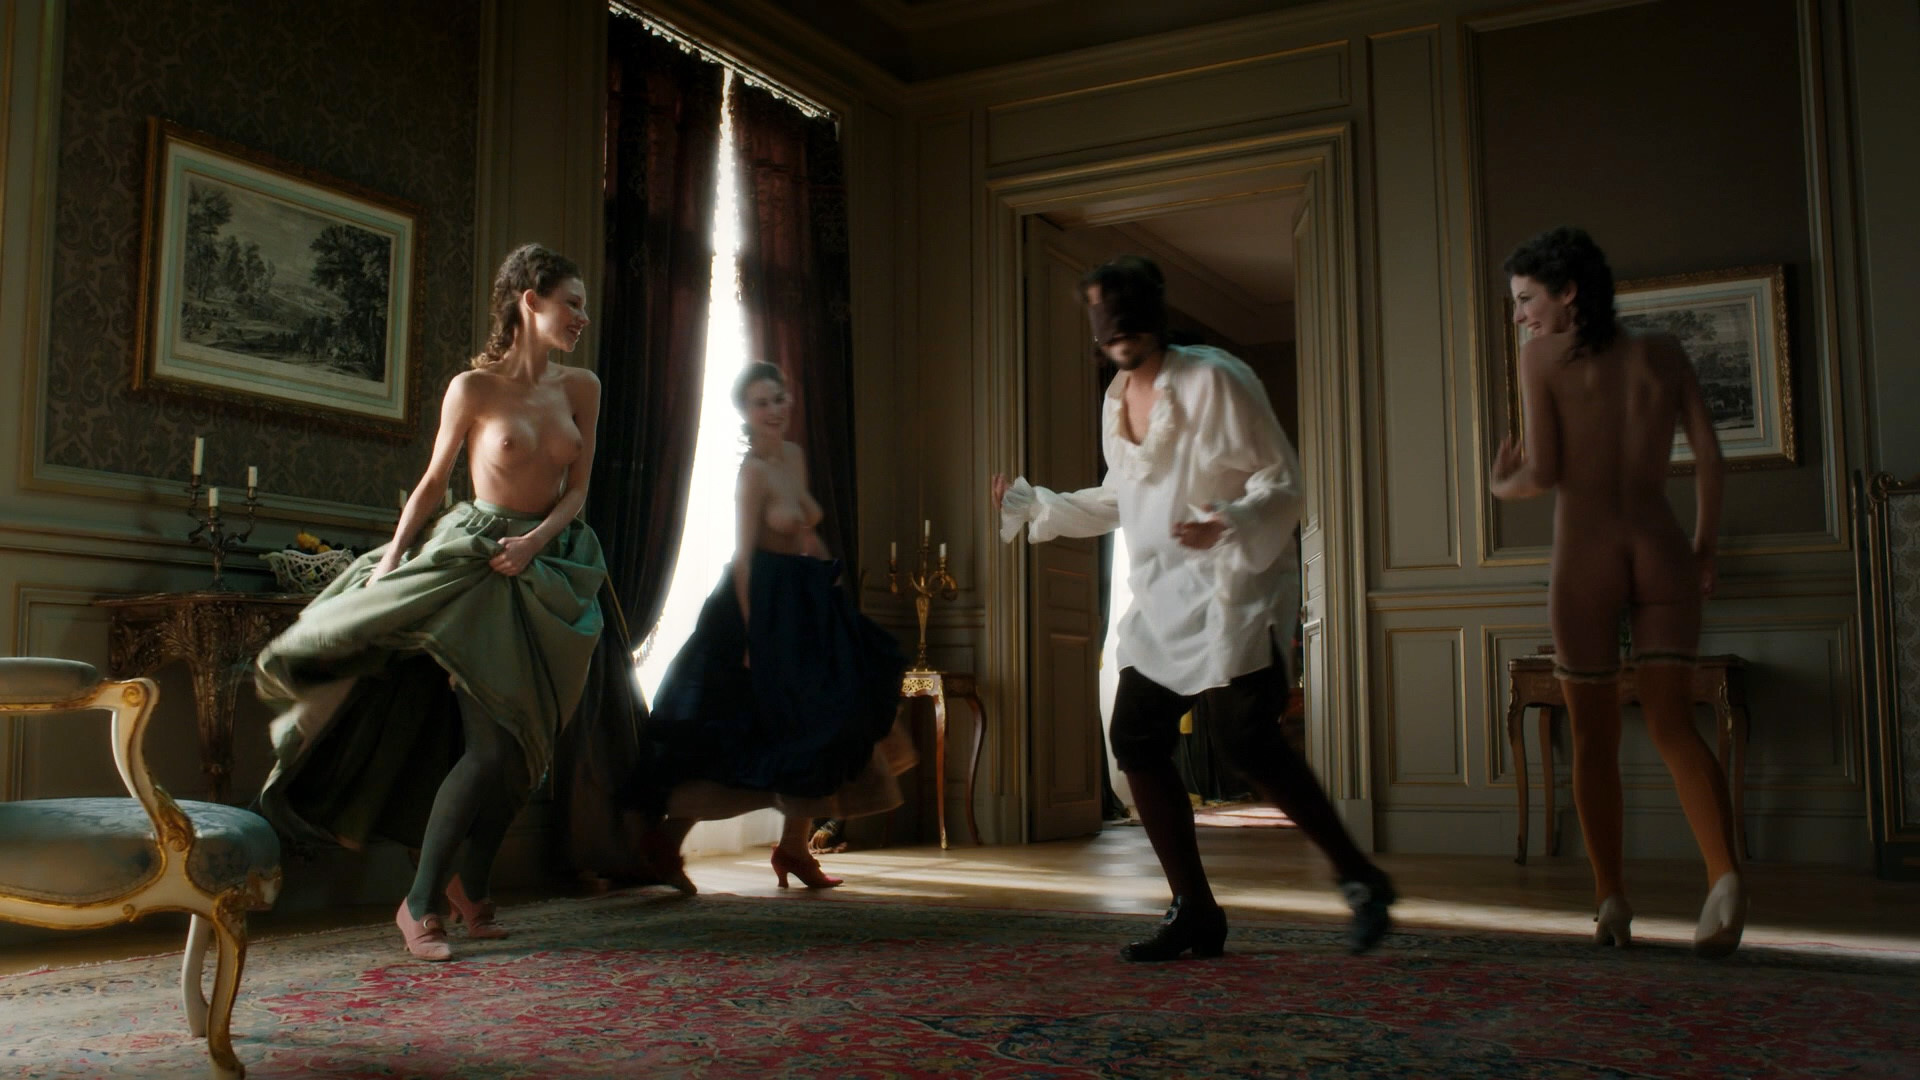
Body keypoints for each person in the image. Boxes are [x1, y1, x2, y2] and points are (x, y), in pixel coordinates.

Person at [993, 255, 1395, 960]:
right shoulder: (1115, 398)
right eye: (1103, 316)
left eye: (1126, 313)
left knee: (1248, 742)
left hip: (1233, 585)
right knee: (1136, 738)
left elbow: (1284, 481)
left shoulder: (1216, 380)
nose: (1116, 330)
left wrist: (1227, 521)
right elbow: (1122, 496)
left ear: (1153, 313)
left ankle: (1362, 879)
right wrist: (1037, 504)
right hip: (1161, 594)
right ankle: (1195, 910)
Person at [256, 243, 607, 962]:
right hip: (477, 567)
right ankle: (418, 903)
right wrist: (389, 564)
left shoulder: (583, 387)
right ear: (530, 301)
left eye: (583, 305)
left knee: (527, 749)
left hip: (555, 567)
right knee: (489, 747)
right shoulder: (472, 388)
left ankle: (470, 888)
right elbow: (432, 483)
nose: (582, 316)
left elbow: (577, 491)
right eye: (571, 302)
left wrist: (535, 543)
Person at [1492, 226, 1745, 956]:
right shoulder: (1663, 353)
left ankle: (1611, 902)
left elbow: (1543, 473)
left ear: (1568, 292)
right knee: (1674, 726)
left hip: (1586, 557)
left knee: (1593, 738)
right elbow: (1710, 458)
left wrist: (1500, 482)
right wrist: (1704, 545)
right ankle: (1725, 880)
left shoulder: (1541, 358)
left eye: (1526, 299)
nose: (1521, 316)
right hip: (1663, 548)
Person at [628, 362, 912, 893]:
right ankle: (667, 841)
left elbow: (803, 531)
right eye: (762, 403)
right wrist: (751, 636)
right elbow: (743, 558)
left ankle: (794, 849)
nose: (775, 410)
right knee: (742, 729)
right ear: (745, 412)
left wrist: (827, 579)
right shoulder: (752, 473)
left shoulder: (795, 456)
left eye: (779, 398)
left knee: (821, 722)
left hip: (805, 600)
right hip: (760, 604)